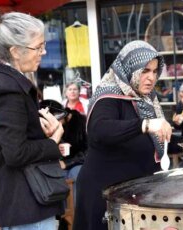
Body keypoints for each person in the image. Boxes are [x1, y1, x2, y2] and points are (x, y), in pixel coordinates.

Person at [0, 9, 65, 229]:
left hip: (23, 205)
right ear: (15, 51)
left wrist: (39, 131)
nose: (44, 52)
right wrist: (52, 141)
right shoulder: (7, 89)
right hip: (26, 207)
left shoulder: (4, 83)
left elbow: (13, 141)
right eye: (38, 47)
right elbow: (15, 153)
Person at [73, 40, 172, 230]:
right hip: (104, 195)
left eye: (154, 71)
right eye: (144, 71)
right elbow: (99, 130)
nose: (151, 78)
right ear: (129, 69)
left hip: (133, 196)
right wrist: (145, 124)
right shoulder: (108, 96)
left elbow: (156, 139)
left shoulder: (146, 100)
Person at [40, 99, 87, 207]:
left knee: (75, 173)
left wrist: (68, 163)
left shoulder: (81, 122)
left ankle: (75, 214)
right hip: (58, 164)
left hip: (79, 163)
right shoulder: (51, 128)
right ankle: (62, 215)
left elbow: (89, 151)